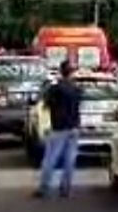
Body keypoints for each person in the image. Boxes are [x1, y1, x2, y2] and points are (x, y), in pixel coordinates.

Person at [35, 61, 83, 199]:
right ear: (72, 72)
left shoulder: (55, 88)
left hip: (58, 127)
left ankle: (44, 188)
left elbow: (46, 104)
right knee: (70, 159)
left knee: (50, 159)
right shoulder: (76, 89)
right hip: (73, 128)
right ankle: (65, 189)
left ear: (61, 71)